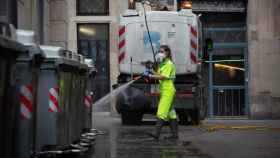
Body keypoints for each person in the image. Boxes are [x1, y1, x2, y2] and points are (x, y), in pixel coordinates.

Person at [146, 45, 178, 140]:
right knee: (171, 113)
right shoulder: (162, 64)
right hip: (164, 90)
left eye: (162, 51)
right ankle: (175, 135)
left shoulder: (169, 64)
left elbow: (163, 77)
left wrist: (151, 76)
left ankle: (156, 134)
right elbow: (159, 74)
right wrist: (151, 71)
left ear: (167, 53)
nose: (160, 53)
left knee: (161, 112)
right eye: (159, 51)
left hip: (168, 90)